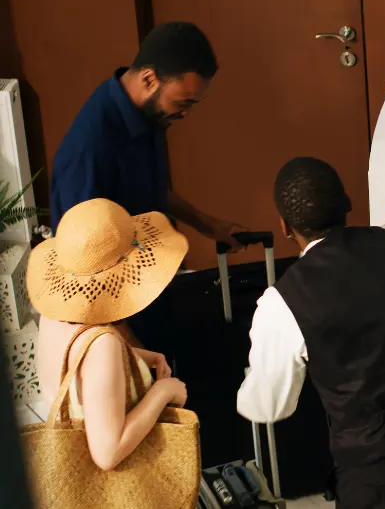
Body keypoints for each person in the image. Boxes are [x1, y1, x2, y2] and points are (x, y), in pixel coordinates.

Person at [237, 157, 385, 509]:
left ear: (285, 227)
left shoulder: (281, 304)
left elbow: (270, 406)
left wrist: (251, 380)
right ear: (347, 204)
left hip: (377, 475)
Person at [49, 21, 245, 354]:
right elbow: (85, 269)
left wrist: (208, 224)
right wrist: (134, 350)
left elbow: (151, 190)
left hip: (150, 286)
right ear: (149, 79)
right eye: (183, 102)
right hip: (113, 315)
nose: (186, 112)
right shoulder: (91, 149)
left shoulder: (147, 113)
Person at [28, 198, 190, 470]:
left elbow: (78, 367)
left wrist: (137, 356)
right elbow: (107, 454)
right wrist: (164, 391)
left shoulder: (53, 317)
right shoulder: (104, 344)